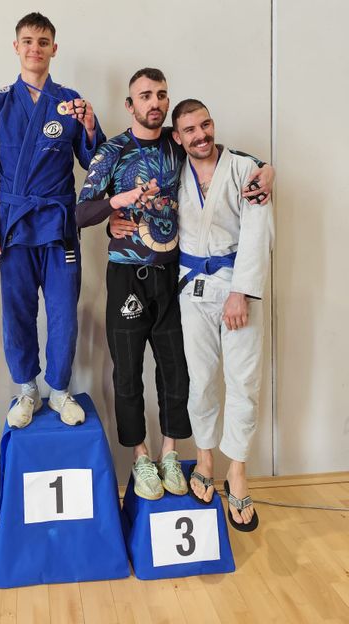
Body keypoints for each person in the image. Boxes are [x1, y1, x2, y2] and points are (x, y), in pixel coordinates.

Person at [76, 68, 273, 501]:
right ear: (130, 105)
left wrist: (266, 168)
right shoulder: (112, 151)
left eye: (161, 94)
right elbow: (80, 212)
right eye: (145, 95)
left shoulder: (176, 141)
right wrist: (115, 206)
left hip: (173, 277)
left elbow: (225, 156)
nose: (155, 102)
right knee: (128, 372)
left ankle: (169, 452)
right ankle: (141, 457)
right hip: (126, 276)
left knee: (178, 372)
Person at [0, 13, 105, 429]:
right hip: (13, 225)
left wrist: (90, 127)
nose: (35, 48)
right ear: (16, 47)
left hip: (59, 225)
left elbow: (95, 162)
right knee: (17, 312)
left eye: (43, 42)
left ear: (54, 49)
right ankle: (27, 389)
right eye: (27, 41)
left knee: (64, 313)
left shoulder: (70, 102)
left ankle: (60, 390)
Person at [171, 98, 273, 531]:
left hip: (236, 286)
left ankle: (237, 471)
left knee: (243, 380)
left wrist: (241, 293)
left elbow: (257, 232)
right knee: (201, 379)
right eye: (190, 130)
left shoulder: (246, 170)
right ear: (178, 138)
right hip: (191, 287)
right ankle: (205, 459)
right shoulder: (172, 172)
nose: (201, 135)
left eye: (205, 125)